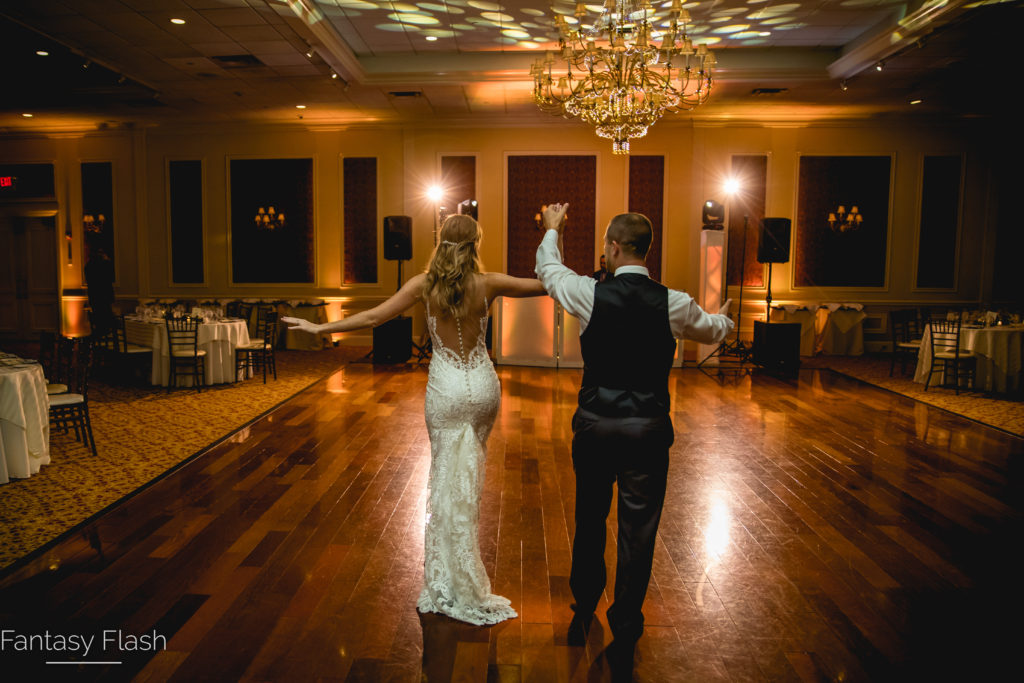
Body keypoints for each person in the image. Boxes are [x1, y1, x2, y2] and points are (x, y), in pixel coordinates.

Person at [283, 214, 545, 625]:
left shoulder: (423, 285)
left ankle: (449, 576)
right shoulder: (489, 283)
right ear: (476, 242)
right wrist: (553, 233)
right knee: (469, 478)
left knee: (446, 478)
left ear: (441, 241)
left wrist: (320, 329)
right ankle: (466, 571)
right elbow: (547, 283)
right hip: (482, 386)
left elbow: (372, 318)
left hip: (446, 389)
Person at [534, 204, 734, 654]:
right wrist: (728, 316)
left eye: (606, 246)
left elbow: (549, 271)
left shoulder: (590, 293)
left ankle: (585, 602)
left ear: (613, 247)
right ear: (646, 249)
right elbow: (713, 330)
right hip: (647, 430)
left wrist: (552, 230)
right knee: (638, 530)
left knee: (590, 517)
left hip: (595, 427)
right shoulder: (674, 302)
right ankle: (625, 621)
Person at [85, 243, 116, 338]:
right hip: (104, 297)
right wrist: (107, 261)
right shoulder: (103, 265)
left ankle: (100, 342)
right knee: (105, 322)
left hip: (95, 297)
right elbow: (110, 277)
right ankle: (104, 341)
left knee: (99, 322)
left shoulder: (88, 266)